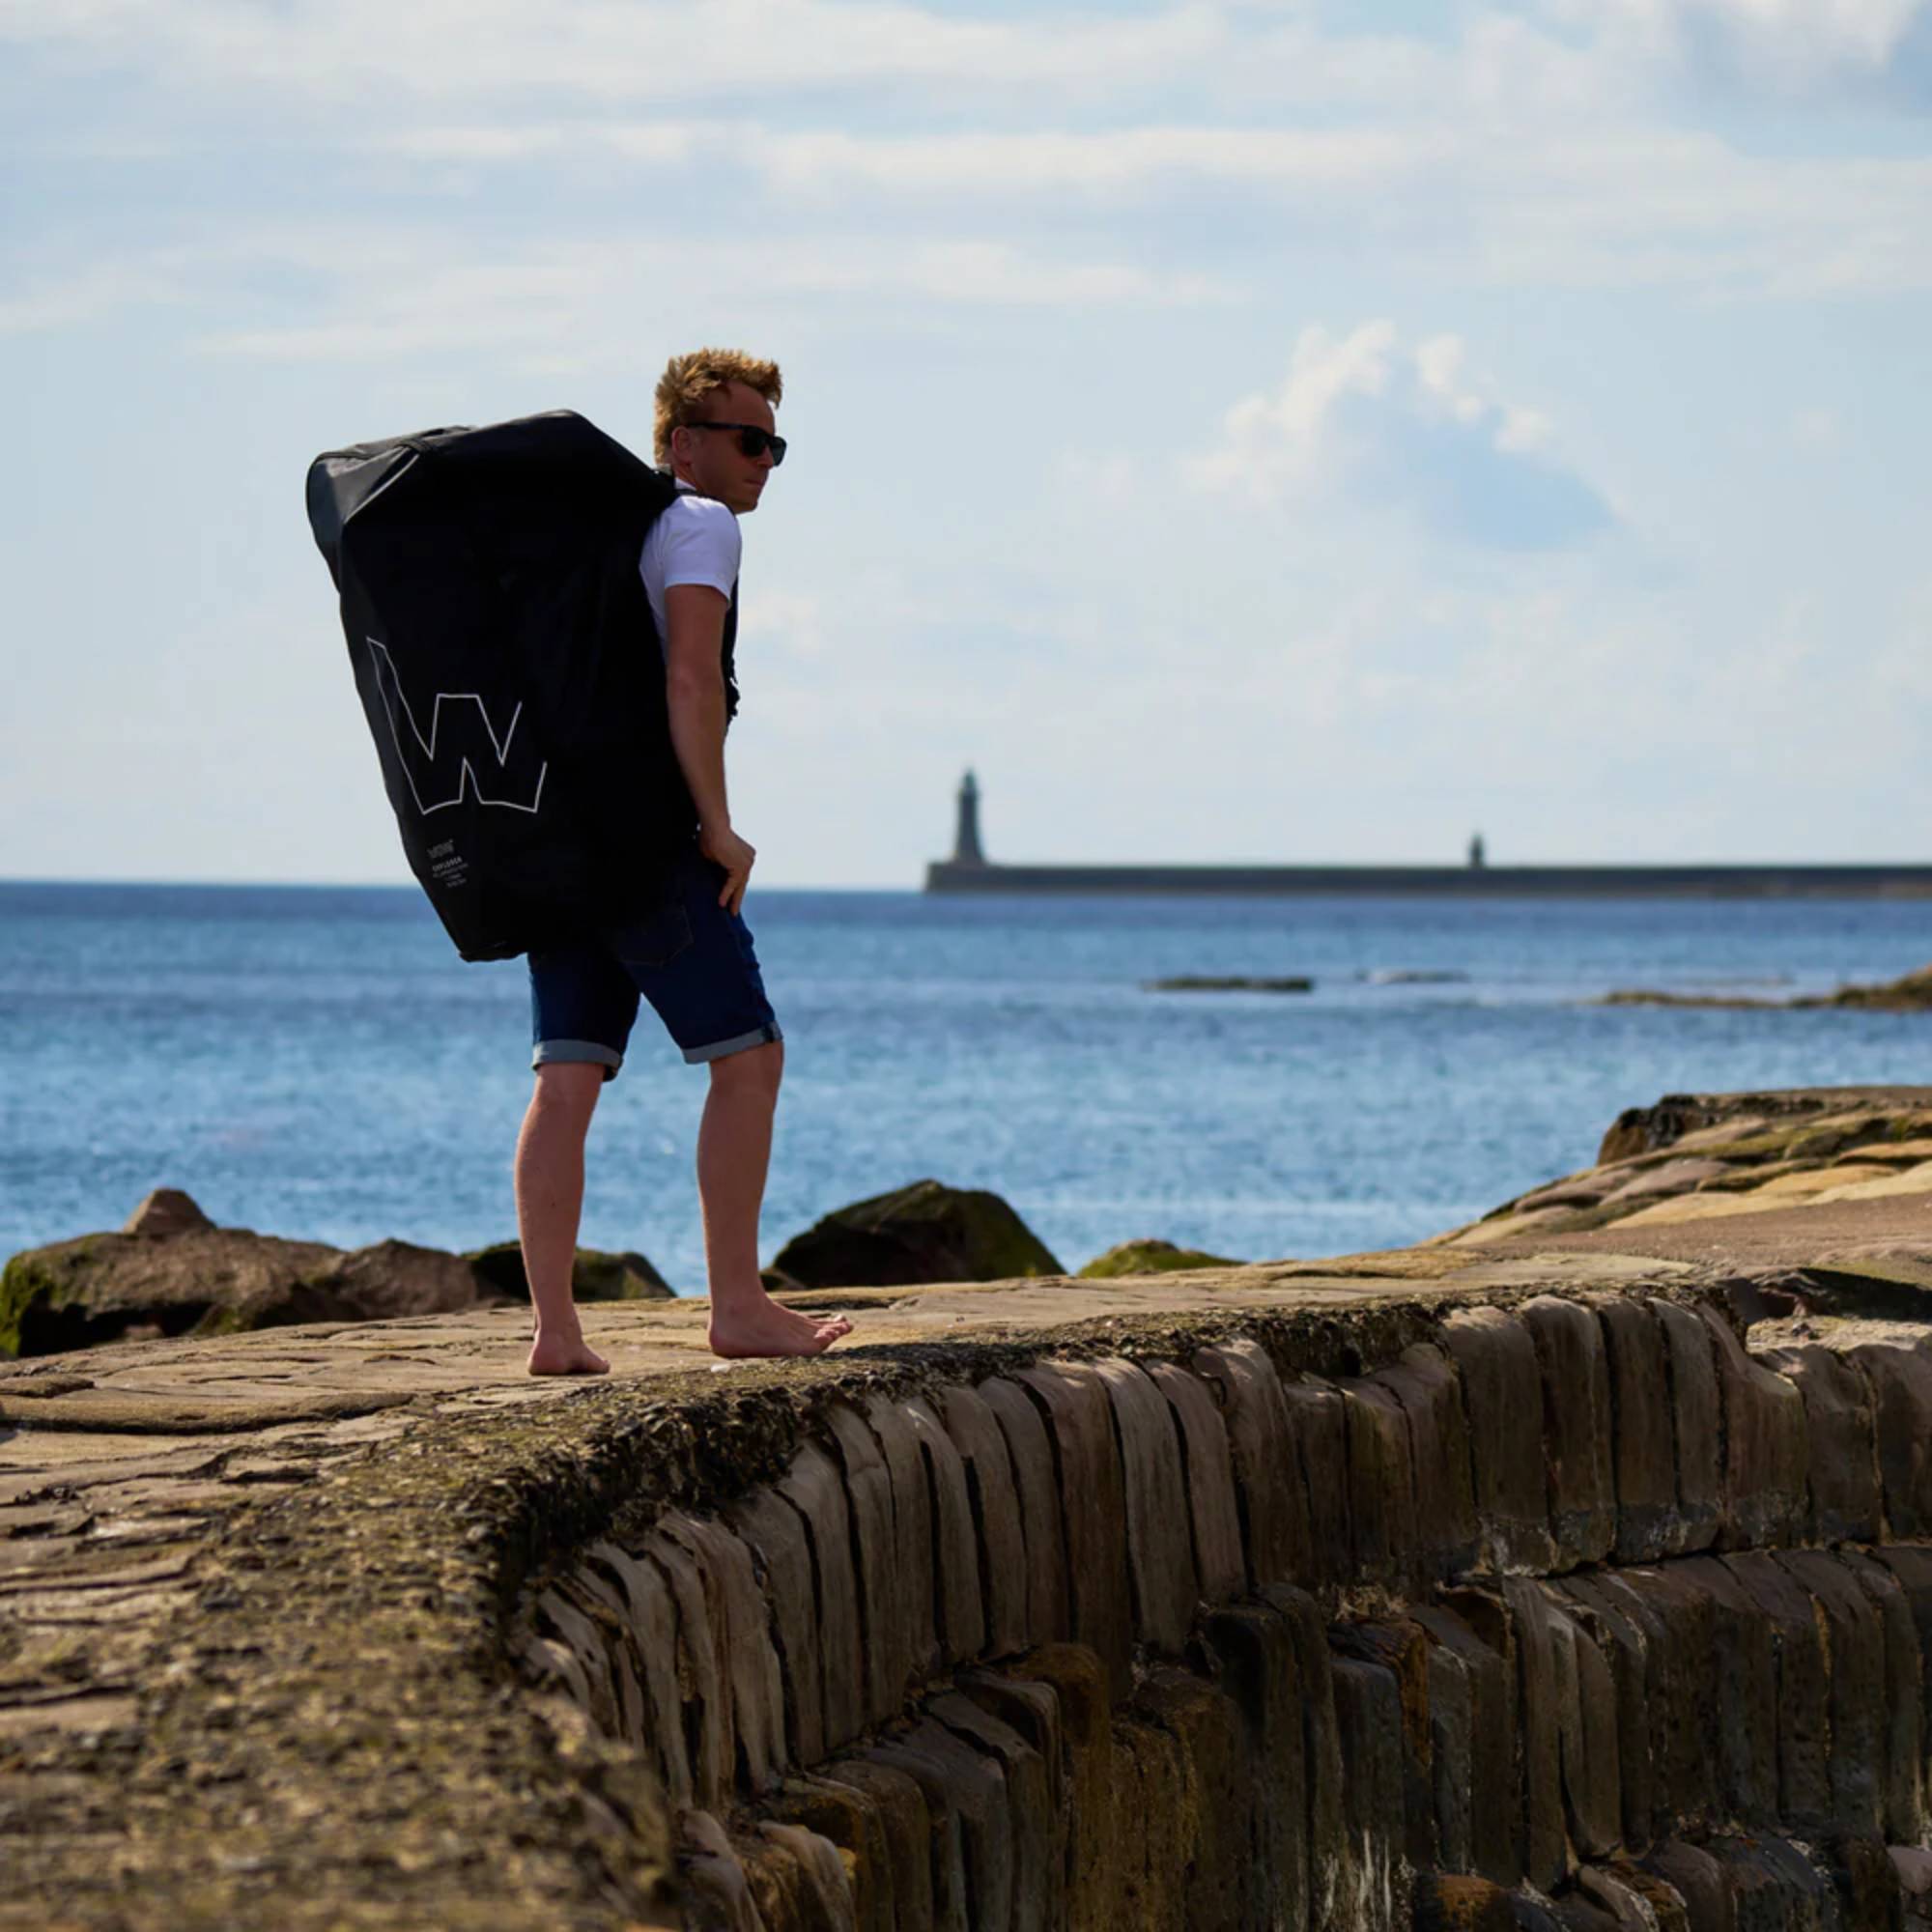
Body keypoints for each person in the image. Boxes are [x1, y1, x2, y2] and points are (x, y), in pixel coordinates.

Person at [512, 349, 852, 1374]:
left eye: (775, 443)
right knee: (748, 1059)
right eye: (748, 440)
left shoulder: (600, 536)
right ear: (682, 444)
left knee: (566, 1077)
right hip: (648, 841)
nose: (765, 461)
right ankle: (739, 1305)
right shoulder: (699, 524)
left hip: (558, 841)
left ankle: (555, 1332)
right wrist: (716, 821)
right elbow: (691, 679)